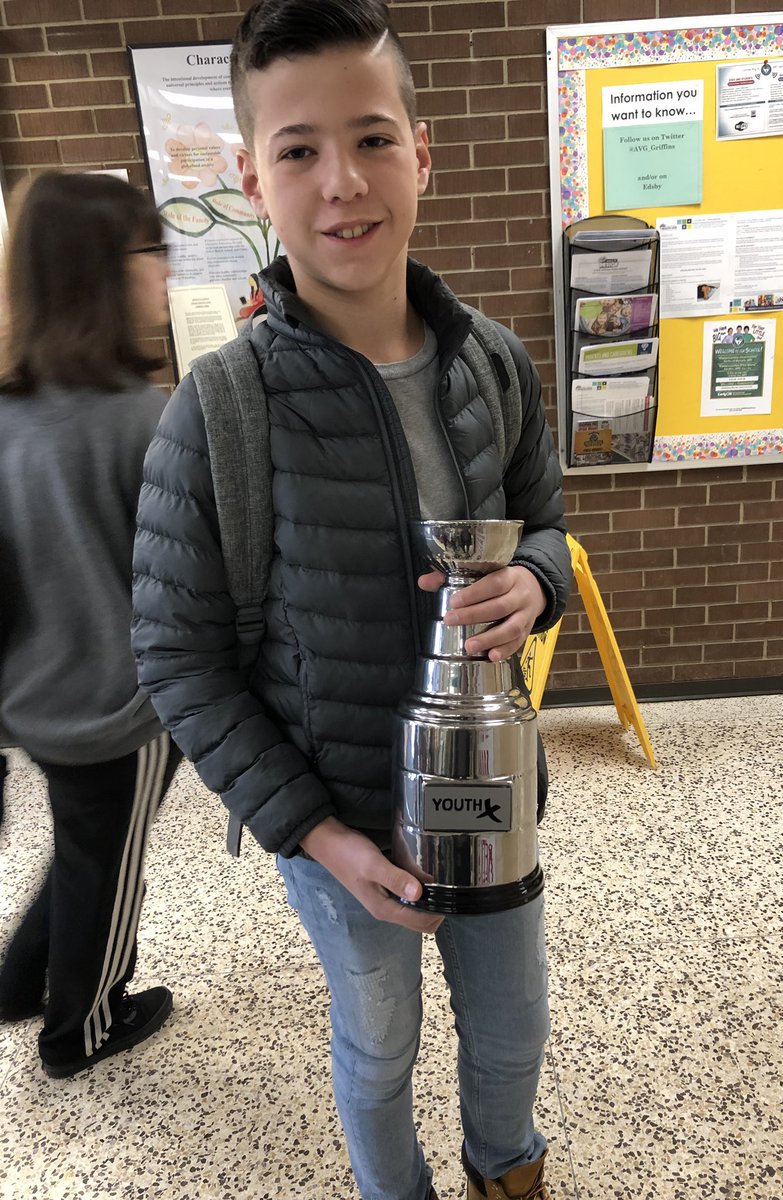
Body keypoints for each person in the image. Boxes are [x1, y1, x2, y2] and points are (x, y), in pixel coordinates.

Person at [131, 3, 571, 1198]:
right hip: (338, 825)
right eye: (298, 150)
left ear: (422, 152)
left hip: (494, 794)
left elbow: (550, 526)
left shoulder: (494, 361)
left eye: (373, 138)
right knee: (379, 1043)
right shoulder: (219, 410)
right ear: (251, 178)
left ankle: (507, 1168)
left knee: (515, 1023)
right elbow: (176, 657)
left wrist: (536, 578)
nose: (343, 183)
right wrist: (318, 836)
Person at [0, 171, 182, 1077]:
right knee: (109, 867)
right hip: (121, 711)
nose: (165, 271)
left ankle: (16, 980)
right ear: (105, 271)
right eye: (153, 251)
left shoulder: (7, 412)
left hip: (31, 701)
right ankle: (84, 1024)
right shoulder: (144, 419)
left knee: (81, 846)